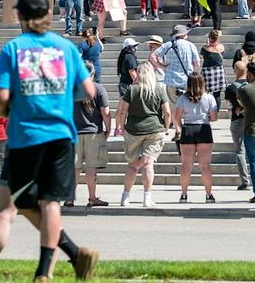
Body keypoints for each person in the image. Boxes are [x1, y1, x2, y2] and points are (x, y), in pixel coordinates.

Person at [0, 0, 101, 283]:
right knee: (51, 202)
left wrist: (10, 106)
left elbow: (1, 97)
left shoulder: (14, 49)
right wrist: (60, 96)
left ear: (20, 16)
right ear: (49, 14)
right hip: (61, 134)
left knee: (21, 202)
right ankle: (46, 270)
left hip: (26, 135)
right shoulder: (66, 47)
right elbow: (89, 91)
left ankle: (67, 258)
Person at [118, 59, 171, 208]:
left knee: (133, 165)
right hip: (154, 129)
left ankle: (125, 196)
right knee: (148, 164)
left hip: (133, 129)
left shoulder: (132, 90)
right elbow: (167, 112)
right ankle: (147, 198)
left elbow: (122, 111)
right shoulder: (159, 89)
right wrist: (166, 128)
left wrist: (122, 128)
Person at [175, 72, 218, 203]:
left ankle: (183, 194)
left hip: (188, 128)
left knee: (186, 165)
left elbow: (176, 117)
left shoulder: (183, 98)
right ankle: (209, 194)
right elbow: (214, 117)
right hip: (204, 128)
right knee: (205, 166)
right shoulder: (209, 98)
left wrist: (182, 128)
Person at [71, 71, 110, 208]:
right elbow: (105, 112)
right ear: (92, 73)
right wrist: (108, 129)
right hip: (94, 132)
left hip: (74, 133)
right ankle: (92, 198)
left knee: (75, 168)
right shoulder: (98, 89)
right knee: (91, 168)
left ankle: (70, 198)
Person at [159, 25, 200, 100]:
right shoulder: (191, 45)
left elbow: (152, 56)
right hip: (187, 81)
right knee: (187, 107)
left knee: (173, 108)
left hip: (171, 81)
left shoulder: (168, 45)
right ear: (184, 35)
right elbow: (197, 64)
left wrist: (162, 66)